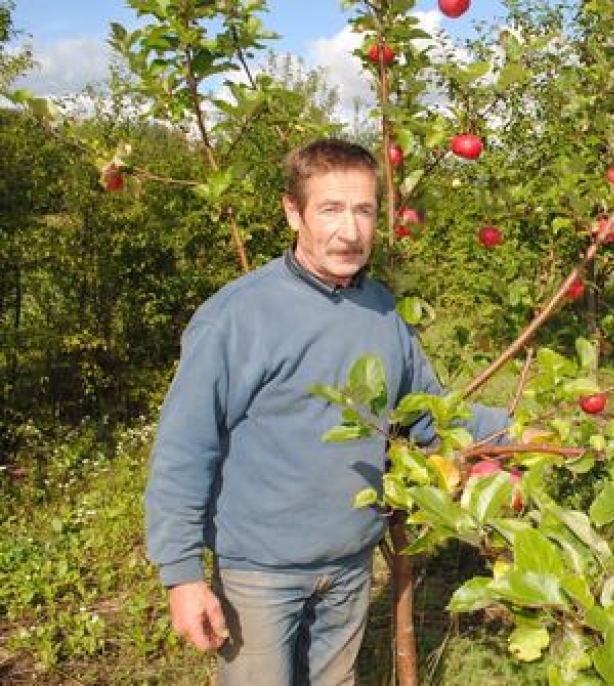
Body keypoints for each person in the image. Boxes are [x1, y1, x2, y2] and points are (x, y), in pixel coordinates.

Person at [145, 138, 509, 685]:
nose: (350, 230)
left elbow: (428, 415)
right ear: (293, 211)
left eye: (363, 210)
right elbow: (184, 448)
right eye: (331, 209)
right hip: (259, 573)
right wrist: (182, 576)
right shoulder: (237, 318)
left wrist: (516, 427)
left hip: (349, 567)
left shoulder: (382, 309)